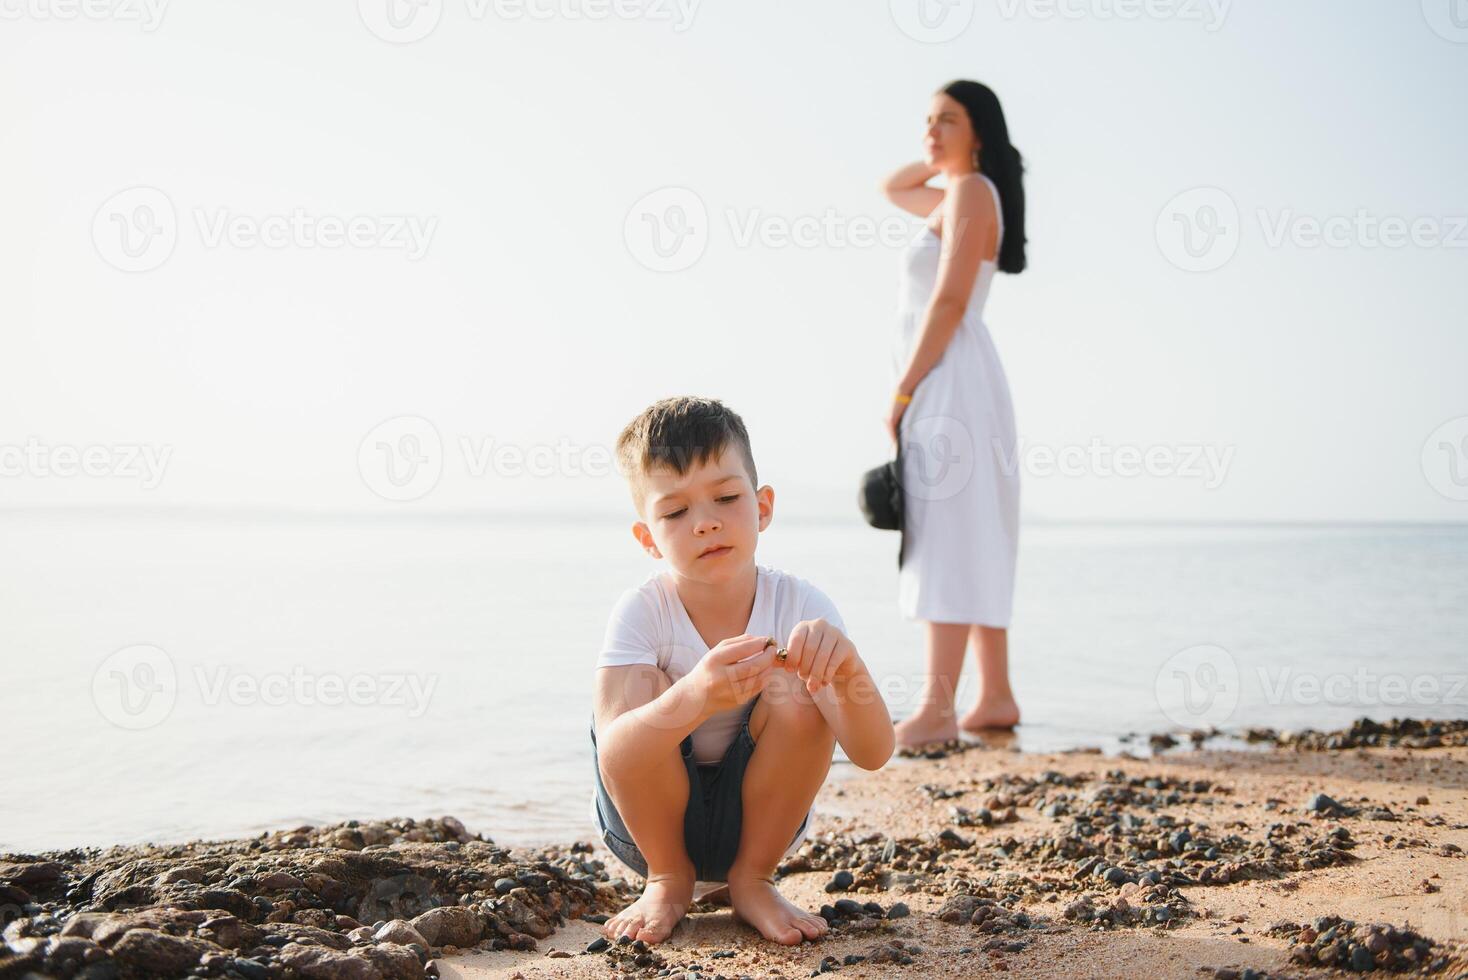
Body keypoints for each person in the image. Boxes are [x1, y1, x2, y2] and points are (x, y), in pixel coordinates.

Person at [589, 396, 895, 945]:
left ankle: (752, 880)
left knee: (802, 687)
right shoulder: (641, 612)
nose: (705, 523)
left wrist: (846, 666)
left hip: (761, 826)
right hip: (646, 827)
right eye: (676, 512)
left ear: (763, 507)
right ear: (647, 538)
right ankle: (668, 880)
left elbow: (872, 753)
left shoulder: (800, 604)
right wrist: (697, 695)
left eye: (726, 498)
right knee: (645, 690)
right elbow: (615, 754)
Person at [879, 80, 1028, 748]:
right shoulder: (961, 193)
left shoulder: (970, 193)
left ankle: (937, 711)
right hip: (964, 380)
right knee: (973, 530)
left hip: (947, 381)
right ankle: (993, 695)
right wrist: (945, 155)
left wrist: (904, 390)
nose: (930, 133)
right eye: (926, 120)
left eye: (948, 121)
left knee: (948, 535)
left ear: (980, 133)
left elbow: (946, 303)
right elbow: (892, 187)